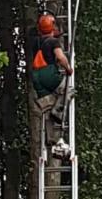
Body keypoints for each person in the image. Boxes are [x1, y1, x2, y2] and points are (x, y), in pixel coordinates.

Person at [31, 14, 73, 144]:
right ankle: (58, 109)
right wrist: (68, 68)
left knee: (47, 107)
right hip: (48, 72)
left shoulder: (36, 42)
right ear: (52, 26)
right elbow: (60, 57)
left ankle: (50, 138)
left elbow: (45, 41)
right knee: (67, 89)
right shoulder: (53, 42)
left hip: (36, 76)